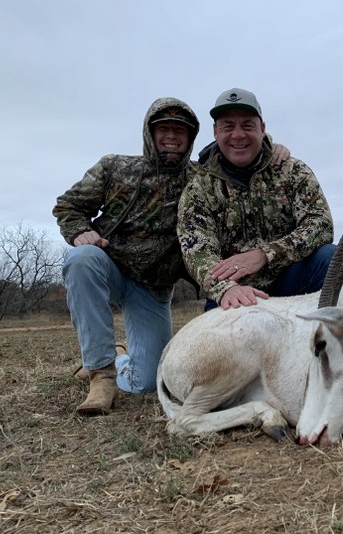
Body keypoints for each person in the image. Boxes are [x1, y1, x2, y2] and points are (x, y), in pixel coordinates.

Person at [53, 96, 289, 415]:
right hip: (108, 268)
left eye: (181, 131)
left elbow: (240, 151)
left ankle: (118, 357)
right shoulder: (114, 167)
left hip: (152, 289)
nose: (172, 137)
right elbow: (68, 206)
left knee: (147, 382)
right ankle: (101, 374)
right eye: (163, 129)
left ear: (191, 139)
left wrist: (273, 148)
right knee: (81, 259)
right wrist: (79, 229)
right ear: (149, 134)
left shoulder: (202, 179)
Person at [178, 87, 343, 311]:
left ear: (262, 129)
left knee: (330, 258)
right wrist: (227, 289)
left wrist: (265, 255)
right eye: (228, 126)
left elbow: (320, 225)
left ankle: (341, 339)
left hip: (292, 280)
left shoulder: (293, 171)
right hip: (234, 290)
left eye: (247, 125)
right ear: (215, 132)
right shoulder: (198, 189)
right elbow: (197, 251)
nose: (238, 135)